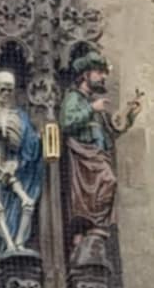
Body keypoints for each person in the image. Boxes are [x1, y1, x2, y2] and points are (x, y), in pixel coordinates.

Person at [60, 48, 141, 261]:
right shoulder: (74, 98)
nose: (103, 76)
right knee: (106, 181)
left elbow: (111, 131)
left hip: (98, 155)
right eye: (99, 72)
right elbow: (66, 122)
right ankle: (83, 233)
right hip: (84, 158)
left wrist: (129, 117)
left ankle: (94, 229)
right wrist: (91, 109)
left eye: (104, 72)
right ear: (85, 74)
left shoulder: (95, 103)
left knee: (107, 183)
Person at [0, 68, 43, 255]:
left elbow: (29, 142)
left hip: (11, 168)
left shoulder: (19, 116)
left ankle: (19, 243)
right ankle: (8, 245)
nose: (6, 94)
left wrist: (39, 137)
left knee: (28, 202)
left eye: (9, 90)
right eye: (1, 89)